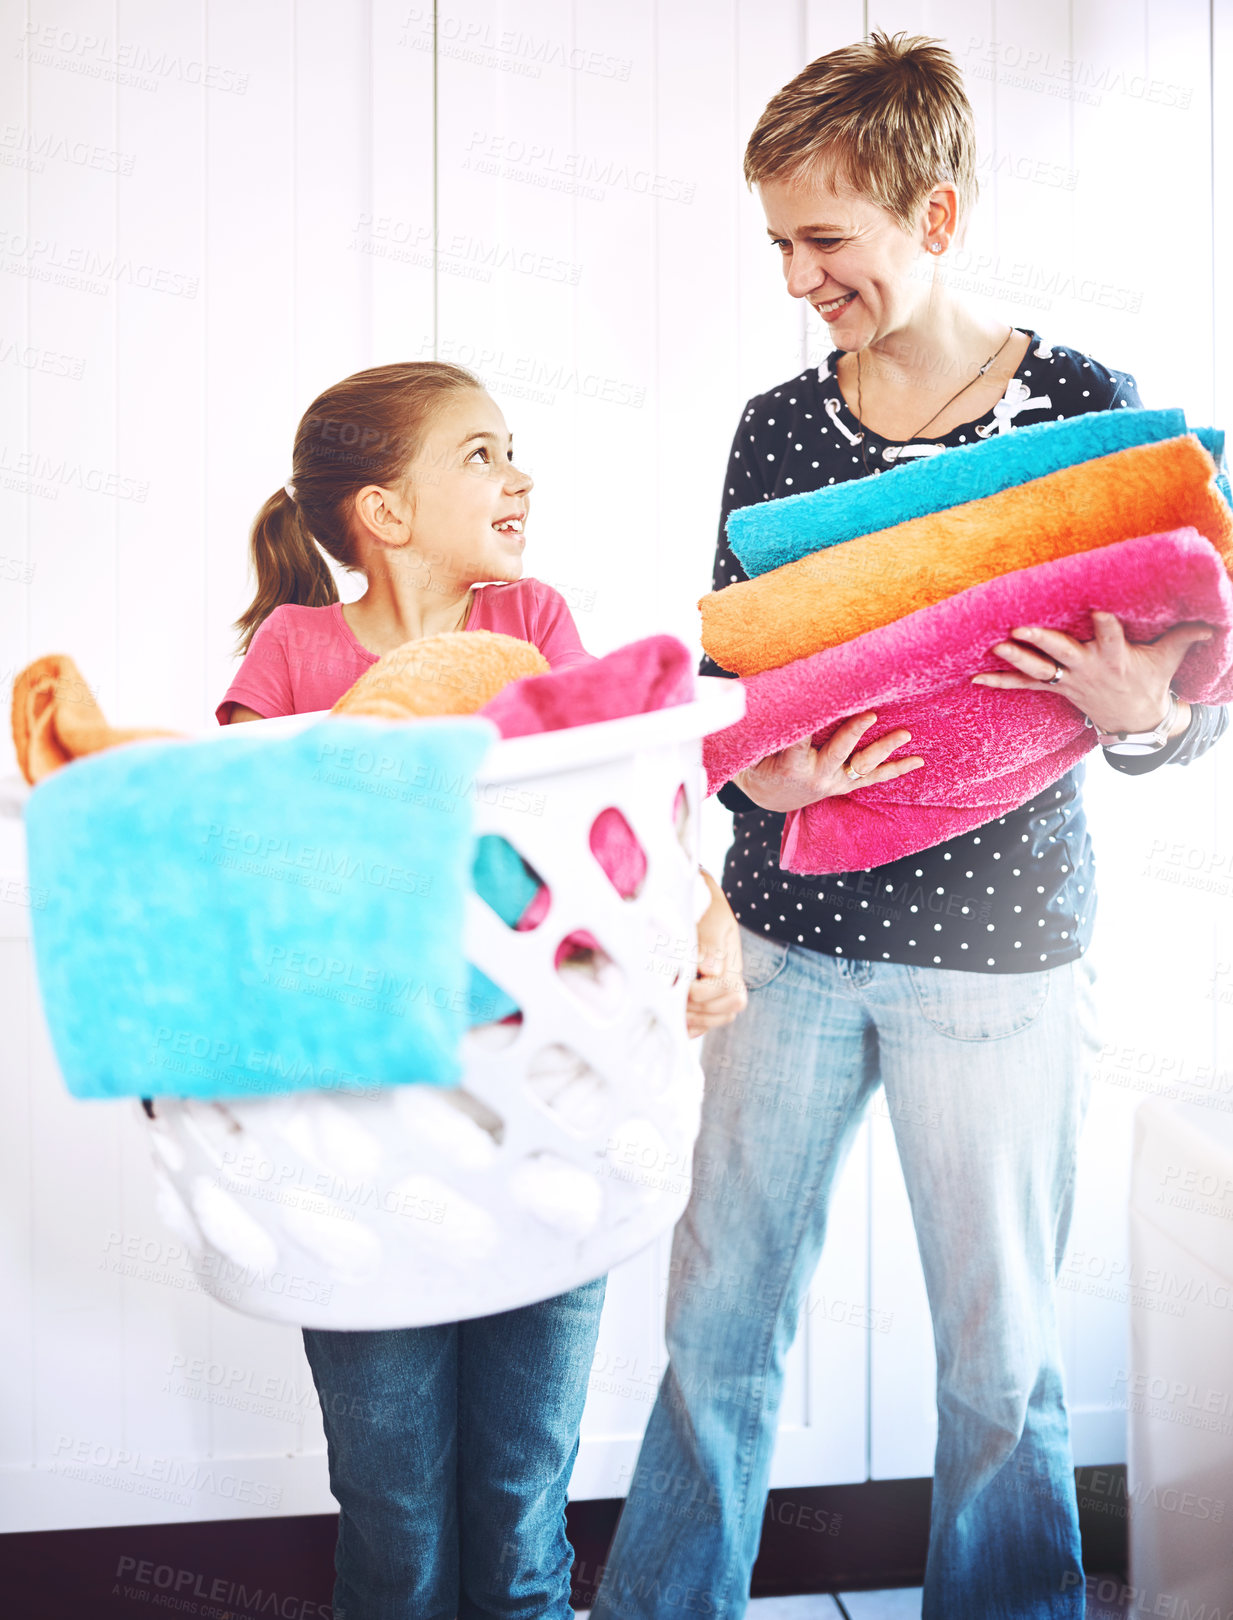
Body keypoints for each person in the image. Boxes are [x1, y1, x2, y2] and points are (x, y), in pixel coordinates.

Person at [589, 32, 1227, 1620]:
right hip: (788, 945)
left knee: (999, 1357)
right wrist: (761, 782)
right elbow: (724, 689)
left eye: (828, 241)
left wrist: (1145, 712)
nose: (802, 277)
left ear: (931, 218)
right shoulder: (776, 432)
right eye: (782, 245)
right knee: (717, 1328)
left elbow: (1180, 678)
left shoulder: (1084, 414)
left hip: (1001, 953)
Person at [217, 360, 747, 1620]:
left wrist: (707, 915)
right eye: (479, 454)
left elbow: (630, 814)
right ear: (384, 512)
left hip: (548, 1120)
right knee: (395, 1512)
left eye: (515, 449)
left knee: (521, 1501)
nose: (518, 474)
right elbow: (245, 842)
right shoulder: (293, 650)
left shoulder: (535, 624)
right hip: (356, 1137)